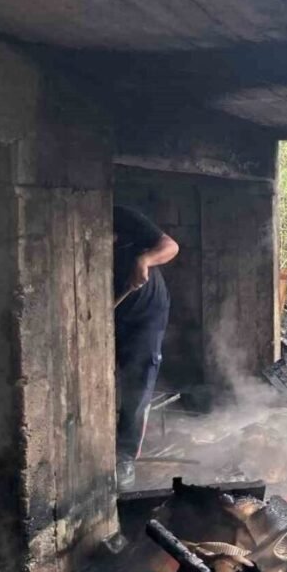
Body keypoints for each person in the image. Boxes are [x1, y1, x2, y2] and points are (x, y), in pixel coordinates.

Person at [114, 205, 179, 490]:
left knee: (137, 383)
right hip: (108, 313)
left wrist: (145, 259)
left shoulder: (123, 216)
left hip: (146, 315)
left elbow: (170, 246)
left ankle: (124, 457)